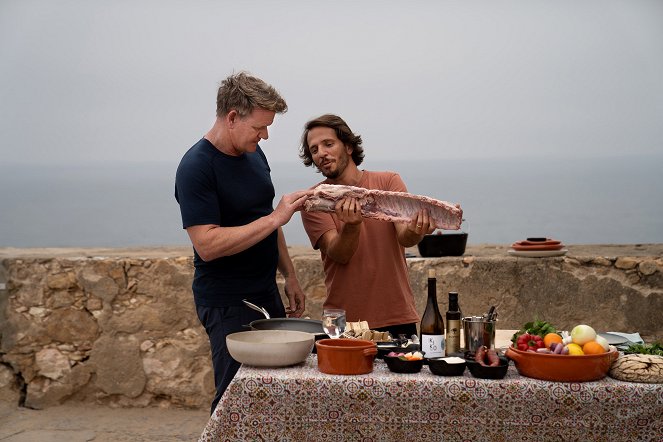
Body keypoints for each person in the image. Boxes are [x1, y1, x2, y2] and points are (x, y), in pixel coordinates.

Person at [175, 72, 311, 415]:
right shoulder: (196, 167)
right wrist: (275, 218)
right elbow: (206, 243)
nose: (264, 136)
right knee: (235, 400)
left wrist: (289, 275)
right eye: (259, 127)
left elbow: (265, 218)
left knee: (278, 392)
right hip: (226, 301)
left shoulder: (253, 155)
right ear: (232, 117)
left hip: (265, 292)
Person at [299, 114, 435, 339]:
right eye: (314, 150)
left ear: (349, 146)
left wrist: (416, 228)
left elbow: (405, 237)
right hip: (340, 321)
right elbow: (339, 254)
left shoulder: (389, 182)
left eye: (328, 144)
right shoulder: (314, 202)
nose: (321, 153)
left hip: (397, 315)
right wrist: (352, 226)